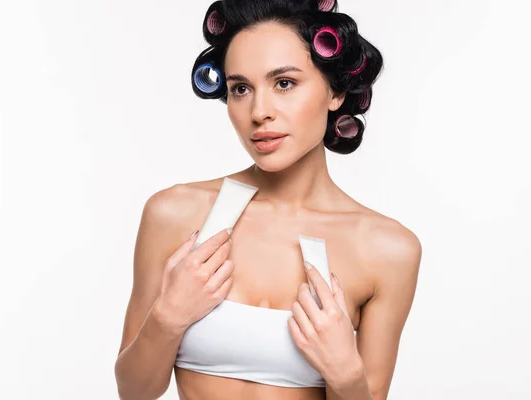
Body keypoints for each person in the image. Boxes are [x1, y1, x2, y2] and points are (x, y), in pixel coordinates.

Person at [114, 0, 422, 399]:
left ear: (336, 91)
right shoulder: (174, 213)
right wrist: (168, 318)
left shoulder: (387, 249)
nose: (259, 112)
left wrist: (346, 376)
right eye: (240, 89)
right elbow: (135, 391)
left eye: (284, 83)